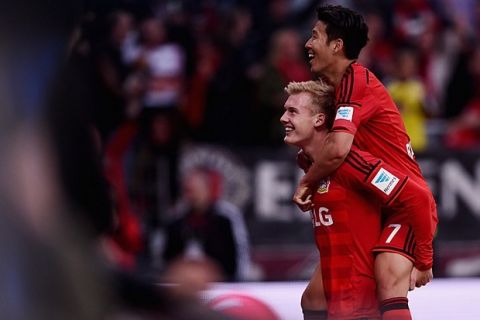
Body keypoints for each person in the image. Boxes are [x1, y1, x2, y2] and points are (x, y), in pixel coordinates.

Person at [295, 5, 438, 319]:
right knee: (315, 298)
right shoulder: (336, 91)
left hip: (404, 203)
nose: (307, 44)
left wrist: (306, 182)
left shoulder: (356, 80)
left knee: (387, 274)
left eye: (314, 36)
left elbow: (337, 149)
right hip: (375, 201)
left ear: (337, 45)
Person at [281, 80, 435, 319]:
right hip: (337, 298)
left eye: (292, 111)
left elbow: (418, 197)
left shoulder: (352, 163)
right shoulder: (307, 162)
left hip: (359, 300)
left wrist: (424, 261)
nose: (283, 118)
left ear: (319, 120)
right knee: (312, 298)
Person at [162, 166, 251, 281]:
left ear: (208, 189)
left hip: (222, 284)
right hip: (183, 286)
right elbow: (166, 258)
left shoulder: (226, 218)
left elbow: (240, 253)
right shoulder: (176, 220)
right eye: (188, 190)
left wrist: (236, 282)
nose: (192, 196)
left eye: (196, 190)